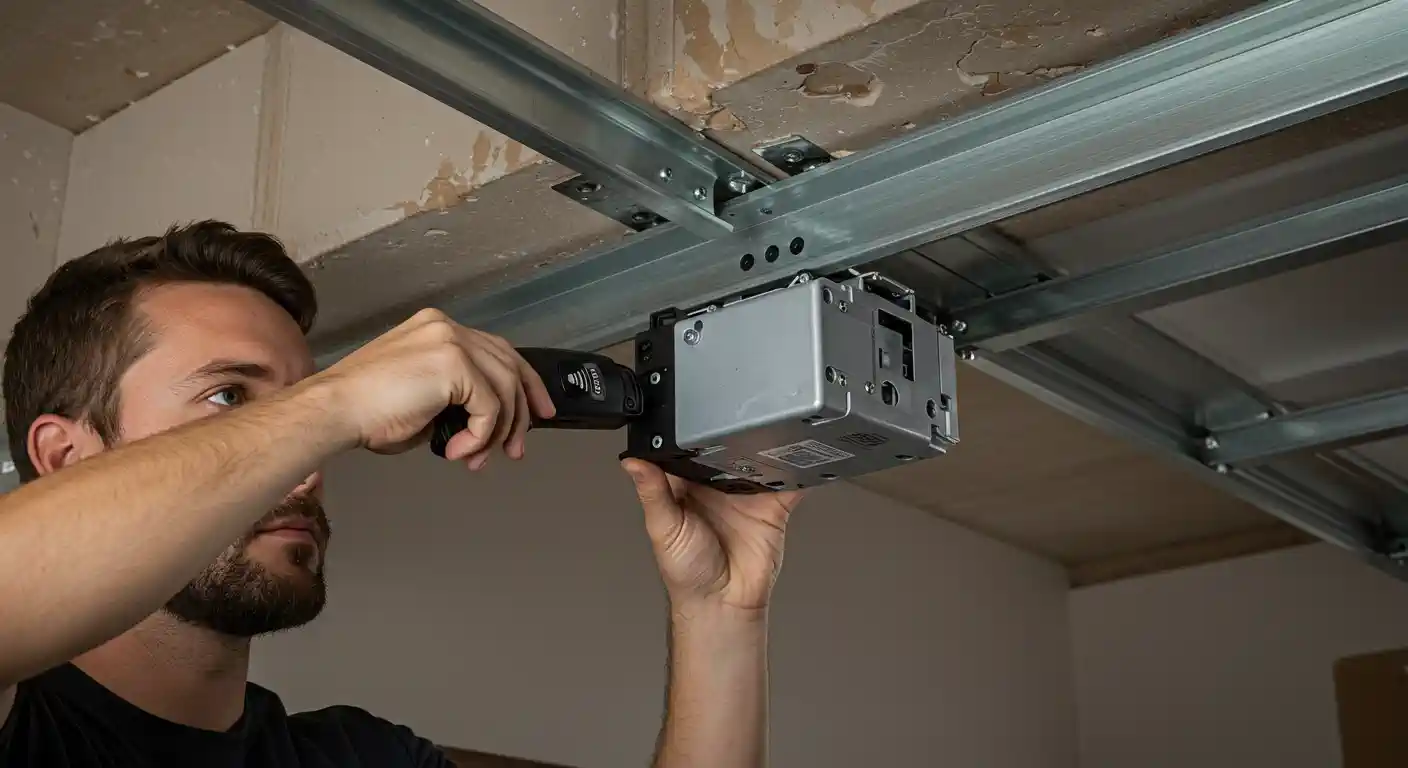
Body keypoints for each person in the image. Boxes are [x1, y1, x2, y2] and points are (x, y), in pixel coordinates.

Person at [0, 220, 805, 767]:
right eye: (231, 399)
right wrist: (336, 402)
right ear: (65, 455)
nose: (306, 464)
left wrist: (720, 614)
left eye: (300, 407)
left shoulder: (361, 758)